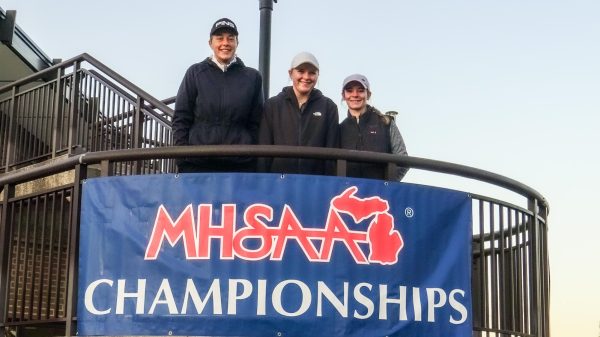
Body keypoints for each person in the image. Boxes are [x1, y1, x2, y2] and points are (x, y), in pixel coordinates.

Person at [172, 18, 263, 173]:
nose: (225, 43)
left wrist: (250, 156)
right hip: (198, 165)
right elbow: (181, 117)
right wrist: (183, 158)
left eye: (230, 38)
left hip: (239, 166)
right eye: (219, 38)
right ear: (210, 43)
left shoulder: (252, 77)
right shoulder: (195, 73)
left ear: (237, 43)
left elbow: (256, 123)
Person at [258, 52, 339, 175]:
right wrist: (263, 183)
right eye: (301, 71)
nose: (306, 77)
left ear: (318, 75)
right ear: (290, 73)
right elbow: (263, 153)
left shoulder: (329, 107)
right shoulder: (272, 105)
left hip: (316, 184)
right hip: (278, 183)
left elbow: (331, 156)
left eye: (312, 72)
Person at [339, 74, 408, 181]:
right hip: (350, 193)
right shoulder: (339, 129)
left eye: (361, 90)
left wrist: (388, 184)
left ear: (368, 94)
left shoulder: (386, 122)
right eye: (349, 90)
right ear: (343, 95)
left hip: (381, 194)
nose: (355, 94)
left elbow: (403, 160)